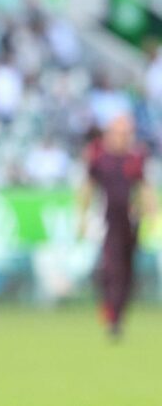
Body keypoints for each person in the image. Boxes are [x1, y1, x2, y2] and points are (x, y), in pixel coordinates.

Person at [77, 114, 157, 338]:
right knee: (111, 268)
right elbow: (88, 186)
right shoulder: (100, 157)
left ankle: (118, 314)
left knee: (127, 270)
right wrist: (81, 216)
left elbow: (144, 187)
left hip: (130, 221)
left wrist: (152, 213)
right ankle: (111, 314)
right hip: (107, 220)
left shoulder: (135, 157)